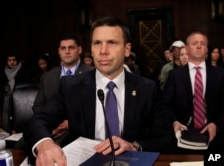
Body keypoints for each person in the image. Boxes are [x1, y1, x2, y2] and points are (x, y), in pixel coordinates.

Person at [24, 16, 173, 166]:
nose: (103, 51)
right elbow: (37, 121)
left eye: (112, 43)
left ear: (127, 50)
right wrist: (45, 145)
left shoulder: (147, 89)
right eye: (97, 43)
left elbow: (166, 139)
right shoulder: (71, 87)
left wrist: (134, 146)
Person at [162, 31, 224, 153]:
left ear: (207, 49)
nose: (199, 46)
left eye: (203, 44)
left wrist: (216, 124)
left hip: (214, 137)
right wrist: (174, 122)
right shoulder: (175, 75)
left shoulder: (220, 74)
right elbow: (165, 105)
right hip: (183, 136)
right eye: (194, 43)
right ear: (186, 48)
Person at [33, 33, 94, 140]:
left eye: (71, 48)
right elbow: (38, 106)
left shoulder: (92, 73)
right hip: (51, 130)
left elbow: (95, 108)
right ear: (59, 51)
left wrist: (72, 122)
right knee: (21, 146)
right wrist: (49, 125)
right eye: (63, 48)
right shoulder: (47, 76)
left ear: (79, 50)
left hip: (81, 132)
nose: (67, 51)